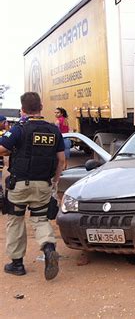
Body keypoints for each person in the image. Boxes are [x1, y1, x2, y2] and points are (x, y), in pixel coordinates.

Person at [0, 92, 65, 280]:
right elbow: (61, 160)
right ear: (41, 107)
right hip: (43, 185)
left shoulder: (19, 129)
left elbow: (2, 148)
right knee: (40, 219)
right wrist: (55, 182)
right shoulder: (54, 130)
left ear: (22, 109)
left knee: (15, 219)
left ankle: (17, 264)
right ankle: (49, 248)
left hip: (20, 185)